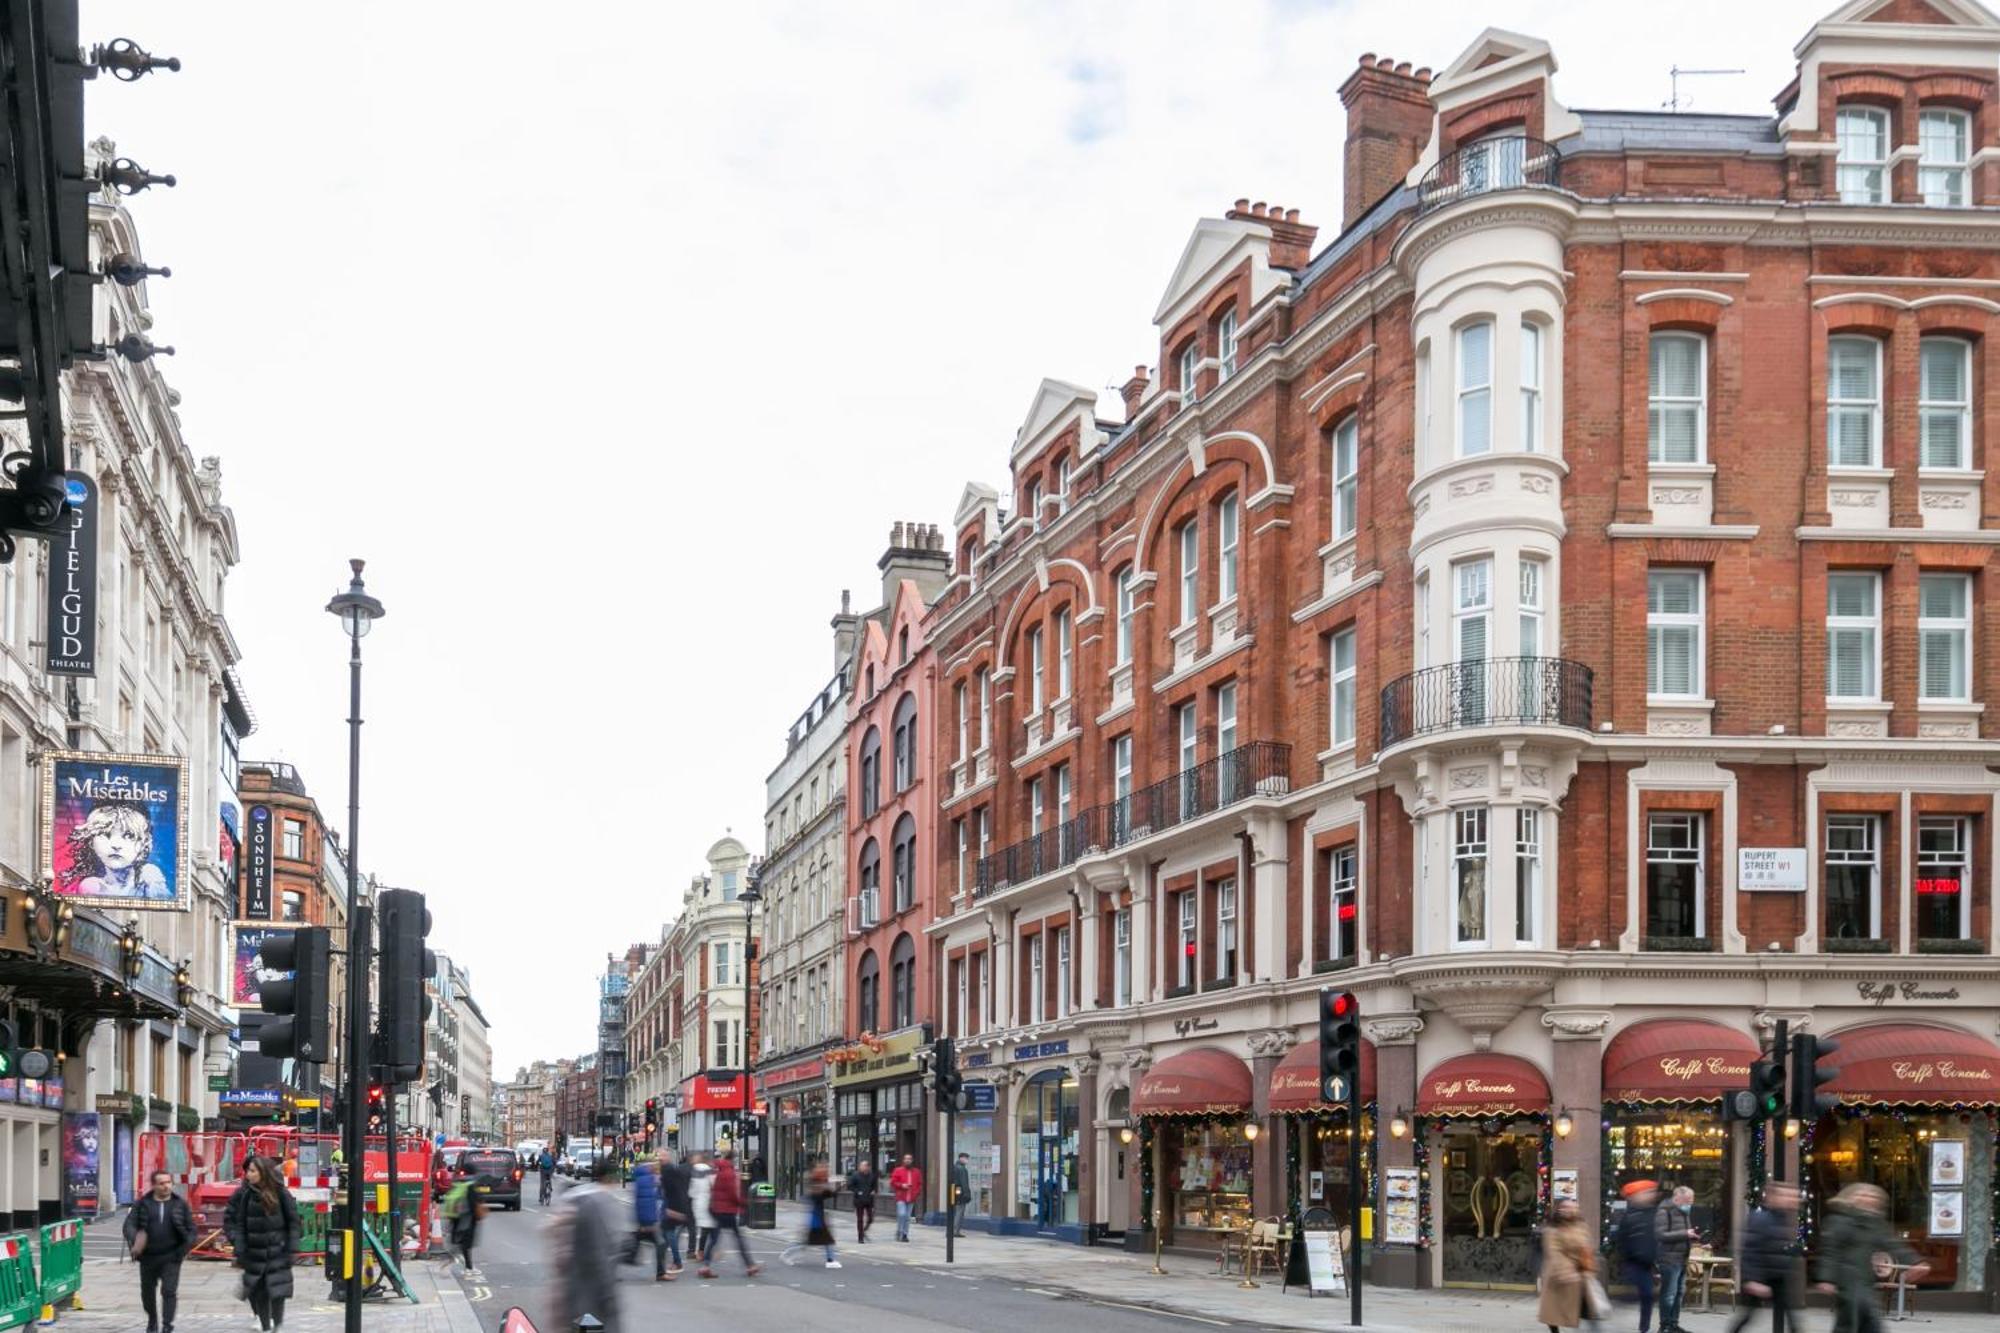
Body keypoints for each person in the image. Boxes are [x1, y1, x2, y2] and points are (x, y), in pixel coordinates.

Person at [1815, 1182, 1926, 1333]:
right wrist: (1826, 1278)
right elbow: (1830, 1250)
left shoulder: (1877, 1224)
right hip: (1846, 1281)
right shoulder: (1838, 1221)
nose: (1868, 1199)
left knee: (1868, 1321)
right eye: (1863, 1195)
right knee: (1852, 1321)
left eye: (1873, 1196)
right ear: (1851, 1198)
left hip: (1865, 1281)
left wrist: (1915, 1262)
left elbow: (1893, 1244)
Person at [224, 1155, 299, 1333]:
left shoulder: (281, 1193)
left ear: (262, 1173)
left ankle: (277, 1326)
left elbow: (294, 1222)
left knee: (277, 1291)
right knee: (259, 1292)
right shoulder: (246, 1195)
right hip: (254, 1253)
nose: (248, 1175)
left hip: (277, 1252)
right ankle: (266, 1327)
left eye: (252, 1171)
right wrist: (240, 1248)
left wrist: (291, 1248)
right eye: (248, 1171)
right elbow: (240, 1224)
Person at [553, 1155, 621, 1333]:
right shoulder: (596, 1204)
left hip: (570, 1292)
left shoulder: (577, 1200)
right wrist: (608, 1295)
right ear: (610, 1178)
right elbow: (599, 1255)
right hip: (591, 1295)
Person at [125, 1169, 195, 1333]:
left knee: (169, 1291)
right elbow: (129, 1224)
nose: (166, 1186)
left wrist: (186, 1246)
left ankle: (167, 1326)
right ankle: (152, 1319)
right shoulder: (142, 1204)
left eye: (168, 1182)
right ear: (154, 1185)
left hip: (172, 1255)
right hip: (148, 1256)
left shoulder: (180, 1204)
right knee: (147, 1292)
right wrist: (136, 1238)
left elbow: (191, 1228)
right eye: (161, 1183)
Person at [1727, 1182, 1803, 1333]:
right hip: (1761, 1277)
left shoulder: (1782, 1219)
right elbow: (1750, 1250)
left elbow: (1777, 1247)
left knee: (1791, 1318)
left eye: (1793, 1196)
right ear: (1772, 1198)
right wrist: (1751, 1280)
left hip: (1778, 1278)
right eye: (1786, 1195)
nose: (1793, 1199)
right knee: (1747, 1316)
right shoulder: (1761, 1219)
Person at [63, 801, 170, 898]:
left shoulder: (149, 876)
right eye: (105, 834)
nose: (116, 845)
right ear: (91, 841)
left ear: (143, 843)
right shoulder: (90, 886)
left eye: (129, 835)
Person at [1537, 1198, 1599, 1332]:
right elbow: (1554, 1252)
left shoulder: (1581, 1225)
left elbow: (1587, 1247)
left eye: (1572, 1207)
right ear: (1559, 1209)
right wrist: (1566, 1271)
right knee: (1552, 1311)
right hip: (1557, 1275)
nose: (1569, 1210)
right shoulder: (1552, 1228)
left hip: (1579, 1274)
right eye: (1565, 1207)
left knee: (1589, 1309)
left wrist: (1589, 1268)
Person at [699, 1150, 761, 1279]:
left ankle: (705, 1266)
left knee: (714, 1239)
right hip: (727, 1210)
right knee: (738, 1239)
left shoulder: (719, 1171)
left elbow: (714, 1190)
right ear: (732, 1159)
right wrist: (743, 1204)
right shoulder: (729, 1173)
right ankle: (750, 1265)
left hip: (716, 1209)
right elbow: (732, 1193)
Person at [1613, 1181, 1661, 1333]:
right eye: (1648, 1192)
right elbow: (1621, 1239)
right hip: (1634, 1263)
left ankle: (1644, 1328)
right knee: (1645, 1294)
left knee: (1647, 1297)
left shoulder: (1653, 1213)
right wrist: (1626, 1260)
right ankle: (1619, 1302)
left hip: (1648, 1263)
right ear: (1636, 1196)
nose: (1652, 1195)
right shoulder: (1629, 1216)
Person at [624, 1152, 675, 1280]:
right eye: (655, 1163)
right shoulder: (647, 1179)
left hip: (647, 1220)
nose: (657, 1166)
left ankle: (623, 1259)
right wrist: (648, 1222)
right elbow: (645, 1201)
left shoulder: (645, 1177)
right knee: (661, 1244)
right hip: (648, 1221)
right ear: (650, 1165)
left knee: (636, 1244)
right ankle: (660, 1273)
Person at [1655, 1186, 1697, 1333]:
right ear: (1677, 1198)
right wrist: (1685, 1233)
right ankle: (1664, 1326)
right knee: (1668, 1294)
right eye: (1688, 1200)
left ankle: (1673, 1324)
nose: (1690, 1204)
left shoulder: (1683, 1212)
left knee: (1679, 1294)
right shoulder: (1664, 1211)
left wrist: (1693, 1237)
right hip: (1669, 1260)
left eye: (1691, 1201)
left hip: (1682, 1258)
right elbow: (1661, 1235)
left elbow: (1682, 1233)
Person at [439, 1172, 486, 1275]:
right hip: (466, 1220)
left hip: (455, 1218)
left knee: (460, 1244)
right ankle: (461, 1266)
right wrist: (478, 1215)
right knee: (464, 1245)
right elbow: (473, 1204)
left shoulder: (457, 1185)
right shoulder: (470, 1186)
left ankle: (467, 1266)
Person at [656, 1149, 691, 1278]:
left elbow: (673, 1191)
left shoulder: (668, 1170)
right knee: (666, 1236)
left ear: (668, 1157)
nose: (660, 1158)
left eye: (662, 1155)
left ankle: (676, 1262)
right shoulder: (668, 1169)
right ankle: (665, 1264)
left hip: (671, 1208)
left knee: (668, 1235)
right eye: (659, 1155)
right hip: (672, 1207)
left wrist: (672, 1209)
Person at [805, 1157, 841, 1269]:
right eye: (825, 1169)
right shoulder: (816, 1186)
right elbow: (822, 1195)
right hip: (817, 1217)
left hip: (819, 1216)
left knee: (820, 1240)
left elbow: (828, 1194)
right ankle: (830, 1260)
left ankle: (830, 1259)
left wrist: (836, 1188)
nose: (827, 1171)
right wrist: (831, 1189)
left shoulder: (818, 1185)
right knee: (826, 1240)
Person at [689, 1152, 716, 1266]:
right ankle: (703, 1252)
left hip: (696, 1202)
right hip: (708, 1201)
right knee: (709, 1228)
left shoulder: (694, 1170)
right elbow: (714, 1185)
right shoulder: (710, 1171)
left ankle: (699, 1251)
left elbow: (692, 1189)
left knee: (702, 1228)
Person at [890, 1153, 922, 1242]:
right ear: (903, 1160)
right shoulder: (898, 1170)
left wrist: (916, 1193)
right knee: (902, 1214)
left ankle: (904, 1234)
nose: (907, 1160)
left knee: (907, 1217)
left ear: (912, 1161)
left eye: (909, 1159)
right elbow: (893, 1182)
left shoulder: (916, 1172)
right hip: (901, 1197)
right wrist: (902, 1185)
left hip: (911, 1198)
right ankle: (899, 1231)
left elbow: (919, 1184)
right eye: (906, 1159)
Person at [849, 1158, 877, 1242]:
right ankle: (860, 1237)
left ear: (868, 1167)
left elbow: (874, 1186)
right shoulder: (855, 1175)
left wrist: (874, 1190)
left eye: (864, 1166)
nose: (862, 1167)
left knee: (870, 1219)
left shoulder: (872, 1175)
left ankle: (864, 1231)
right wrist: (857, 1192)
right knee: (860, 1219)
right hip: (859, 1200)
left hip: (869, 1200)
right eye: (861, 1166)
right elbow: (850, 1186)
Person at [949, 1152, 973, 1239]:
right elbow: (964, 1183)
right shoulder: (962, 1169)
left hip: (955, 1191)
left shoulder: (954, 1167)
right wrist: (967, 1194)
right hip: (961, 1192)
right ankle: (955, 1231)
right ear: (961, 1158)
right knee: (960, 1212)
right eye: (966, 1158)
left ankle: (953, 1230)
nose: (967, 1160)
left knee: (956, 1212)